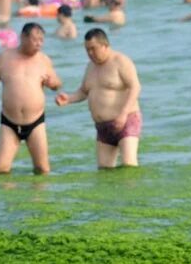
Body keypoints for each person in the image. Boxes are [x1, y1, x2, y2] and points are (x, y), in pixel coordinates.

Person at [0, 22, 61, 174]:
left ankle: (37, 197)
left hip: (36, 122)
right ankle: (9, 197)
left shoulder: (44, 60)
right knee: (1, 169)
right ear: (23, 37)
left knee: (42, 169)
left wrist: (52, 83)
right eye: (35, 39)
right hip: (9, 122)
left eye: (41, 40)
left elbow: (57, 83)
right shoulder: (4, 58)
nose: (39, 44)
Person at [54, 29, 142, 169]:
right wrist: (69, 99)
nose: (90, 53)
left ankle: (134, 191)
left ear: (105, 45)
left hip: (126, 120)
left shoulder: (121, 61)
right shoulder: (90, 67)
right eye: (87, 50)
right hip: (103, 127)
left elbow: (135, 87)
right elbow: (84, 91)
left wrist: (123, 114)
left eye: (93, 49)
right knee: (104, 170)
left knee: (128, 165)